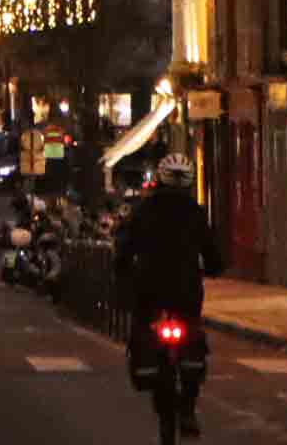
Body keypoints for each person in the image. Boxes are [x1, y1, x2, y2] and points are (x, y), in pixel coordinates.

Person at [114, 155, 220, 438]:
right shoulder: (196, 213)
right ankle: (187, 407)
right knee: (193, 339)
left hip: (150, 290)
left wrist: (122, 269)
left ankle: (149, 369)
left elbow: (124, 249)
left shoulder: (144, 210)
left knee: (142, 330)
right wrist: (213, 268)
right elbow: (212, 253)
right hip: (186, 291)